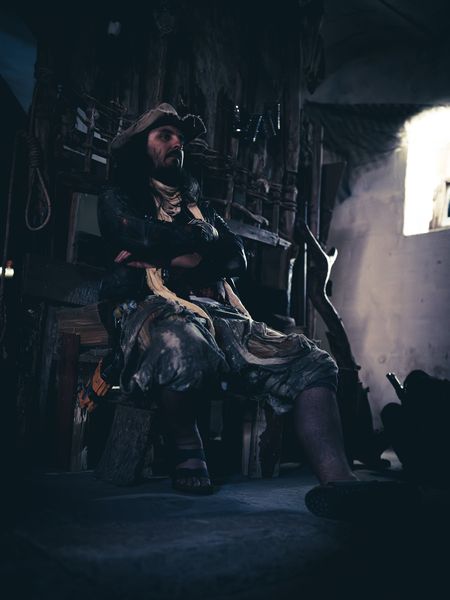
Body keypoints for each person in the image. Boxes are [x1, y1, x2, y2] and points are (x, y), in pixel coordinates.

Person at [96, 103, 414, 518]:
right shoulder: (118, 197)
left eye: (180, 138)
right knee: (183, 345)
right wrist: (195, 244)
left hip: (217, 311)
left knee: (313, 362)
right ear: (141, 146)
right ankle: (186, 444)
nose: (177, 144)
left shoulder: (198, 206)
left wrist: (176, 252)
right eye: (165, 136)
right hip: (148, 306)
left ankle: (339, 482)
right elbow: (133, 233)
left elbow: (236, 258)